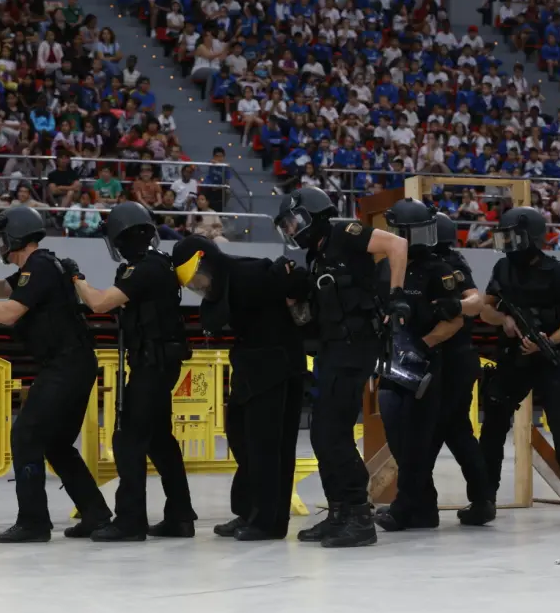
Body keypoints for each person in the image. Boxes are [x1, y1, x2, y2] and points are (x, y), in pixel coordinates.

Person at [0, 205, 113, 543]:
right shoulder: (39, 267)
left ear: (16, 236)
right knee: (58, 444)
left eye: (3, 237)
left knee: (25, 436)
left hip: (65, 365)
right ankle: (96, 514)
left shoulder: (41, 268)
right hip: (72, 363)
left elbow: (6, 313)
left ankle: (33, 522)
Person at [274, 187, 410, 548]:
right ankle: (338, 513)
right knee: (322, 433)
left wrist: (396, 296)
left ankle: (358, 517)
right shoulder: (315, 256)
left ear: (311, 214)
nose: (290, 230)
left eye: (292, 221)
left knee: (332, 433)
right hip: (332, 350)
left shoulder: (344, 234)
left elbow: (397, 246)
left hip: (355, 348)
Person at [70, 201, 197, 541]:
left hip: (152, 365)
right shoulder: (153, 265)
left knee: (128, 439)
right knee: (159, 440)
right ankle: (180, 516)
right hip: (156, 362)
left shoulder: (146, 269)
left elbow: (98, 303)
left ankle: (130, 521)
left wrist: (76, 278)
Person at [171, 235, 309, 541]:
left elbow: (296, 282)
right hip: (251, 368)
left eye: (198, 278)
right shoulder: (225, 285)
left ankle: (268, 522)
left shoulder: (250, 273)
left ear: (207, 261)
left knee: (268, 448)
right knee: (242, 439)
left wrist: (288, 287)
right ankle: (248, 511)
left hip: (277, 367)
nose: (200, 286)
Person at [477, 207, 560, 525]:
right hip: (513, 359)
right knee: (492, 429)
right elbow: (485, 311)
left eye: (513, 236)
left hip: (548, 359)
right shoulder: (502, 268)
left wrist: (549, 341)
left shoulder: (557, 271)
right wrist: (505, 320)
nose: (507, 243)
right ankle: (484, 499)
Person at [372, 200, 465, 533]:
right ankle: (424, 510)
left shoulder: (440, 271)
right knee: (398, 441)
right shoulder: (384, 267)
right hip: (389, 364)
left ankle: (402, 509)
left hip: (424, 366)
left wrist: (423, 345)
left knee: (418, 443)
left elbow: (455, 321)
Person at [432, 212, 496, 526]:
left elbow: (475, 302)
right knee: (458, 433)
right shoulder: (457, 262)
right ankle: (482, 500)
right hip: (459, 358)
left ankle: (419, 502)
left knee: (438, 432)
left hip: (447, 359)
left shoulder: (442, 265)